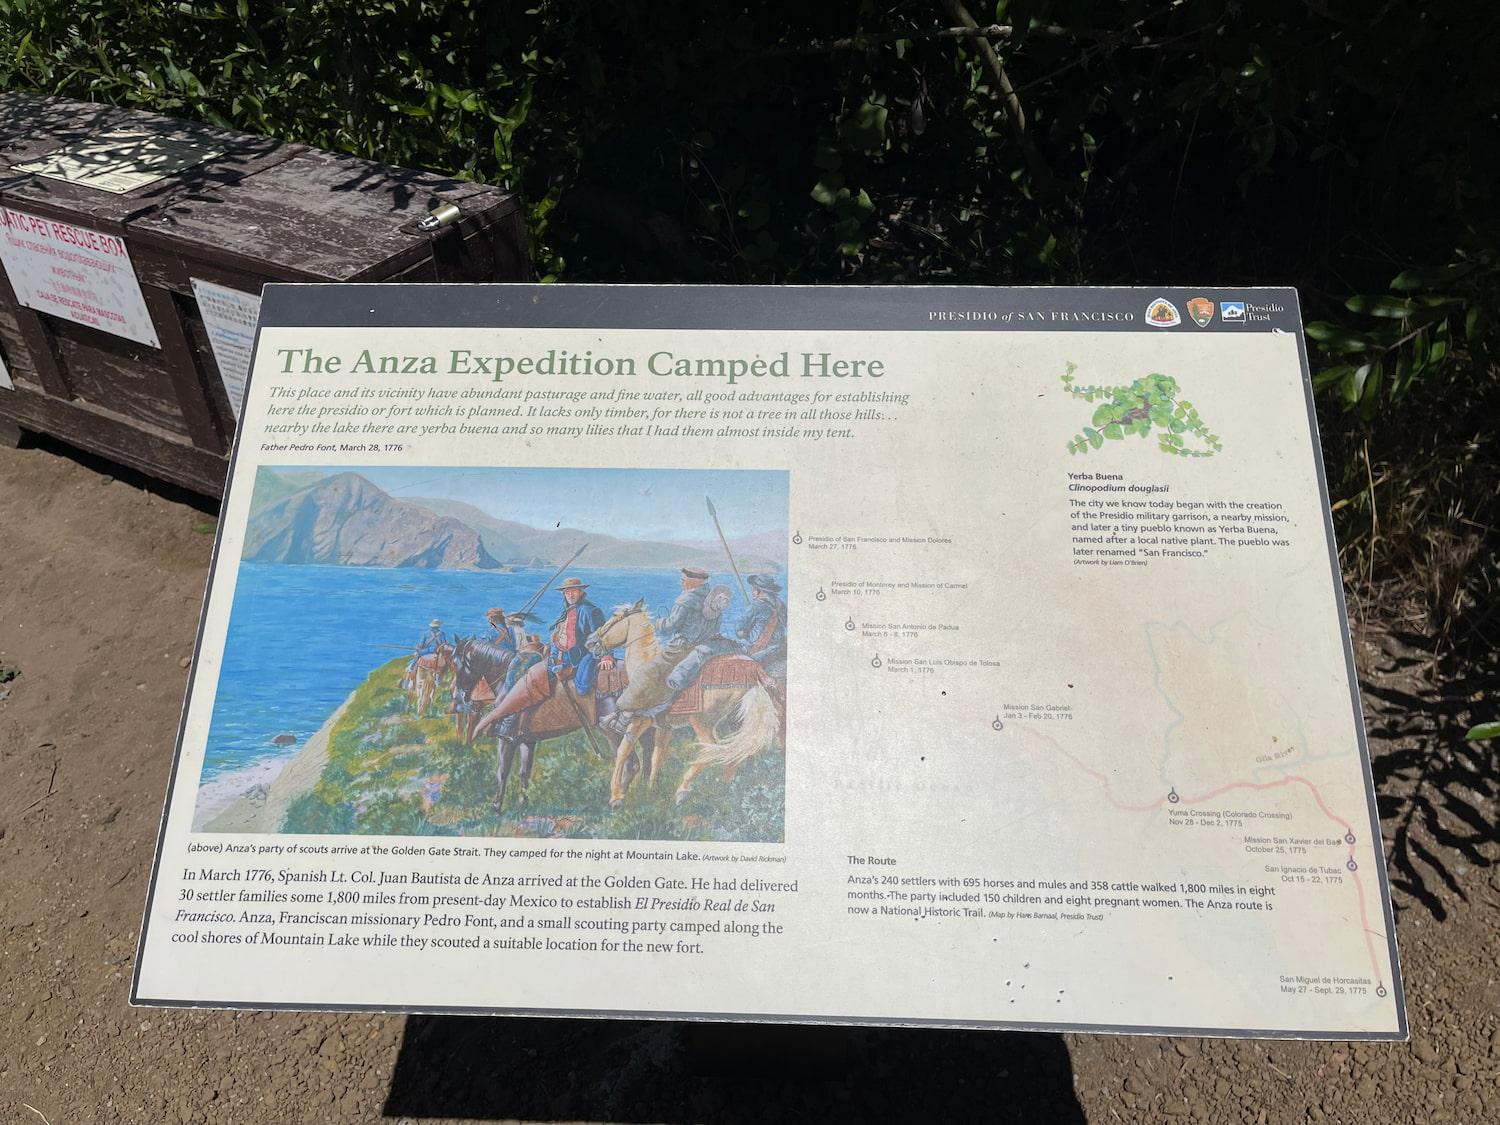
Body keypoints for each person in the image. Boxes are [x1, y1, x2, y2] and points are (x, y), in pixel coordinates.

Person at [549, 577, 605, 694]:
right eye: (567, 592)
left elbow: (602, 636)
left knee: (582, 688)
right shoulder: (566, 610)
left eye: (574, 591)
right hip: (557, 654)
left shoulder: (590, 611)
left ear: (581, 592)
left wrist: (606, 656)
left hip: (577, 655)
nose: (570, 595)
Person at [736, 573, 787, 679]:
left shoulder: (754, 607)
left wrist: (746, 632)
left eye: (754, 589)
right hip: (778, 647)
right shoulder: (781, 605)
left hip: (760, 651)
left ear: (760, 591)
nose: (752, 592)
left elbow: (739, 632)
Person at [406, 618, 447, 684]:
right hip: (438, 651)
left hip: (429, 650)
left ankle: (411, 666)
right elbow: (444, 644)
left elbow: (421, 644)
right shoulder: (442, 634)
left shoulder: (426, 633)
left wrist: (418, 648)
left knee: (418, 654)